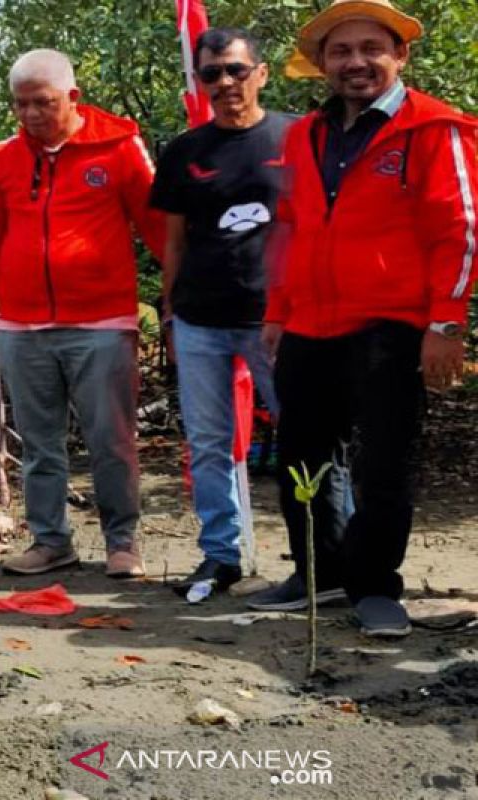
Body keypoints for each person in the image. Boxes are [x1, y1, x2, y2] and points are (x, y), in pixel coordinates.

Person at [251, 0, 478, 638]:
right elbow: (290, 230)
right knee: (301, 456)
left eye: (370, 49)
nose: (356, 63)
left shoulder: (436, 127)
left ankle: (377, 587)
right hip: (310, 324)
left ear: (399, 55)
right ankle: (318, 574)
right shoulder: (304, 134)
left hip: (392, 324)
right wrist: (276, 312)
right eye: (341, 52)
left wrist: (446, 325)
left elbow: (460, 230)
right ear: (322, 63)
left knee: (384, 462)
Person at [0, 49, 165, 577]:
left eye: (42, 103)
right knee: (40, 444)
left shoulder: (121, 147)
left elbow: (160, 230)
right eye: (20, 105)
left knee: (111, 439)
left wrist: (178, 301)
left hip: (103, 323)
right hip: (23, 326)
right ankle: (52, 541)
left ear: (72, 97)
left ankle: (122, 542)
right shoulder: (2, 157)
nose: (30, 115)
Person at [150, 28, 292, 593]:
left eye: (236, 70)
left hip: (276, 320)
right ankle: (220, 554)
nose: (225, 83)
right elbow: (174, 243)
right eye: (212, 74)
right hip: (199, 320)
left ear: (261, 73)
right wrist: (167, 310)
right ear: (200, 81)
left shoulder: (298, 136)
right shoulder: (185, 152)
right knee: (208, 444)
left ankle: (327, 557)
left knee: (306, 436)